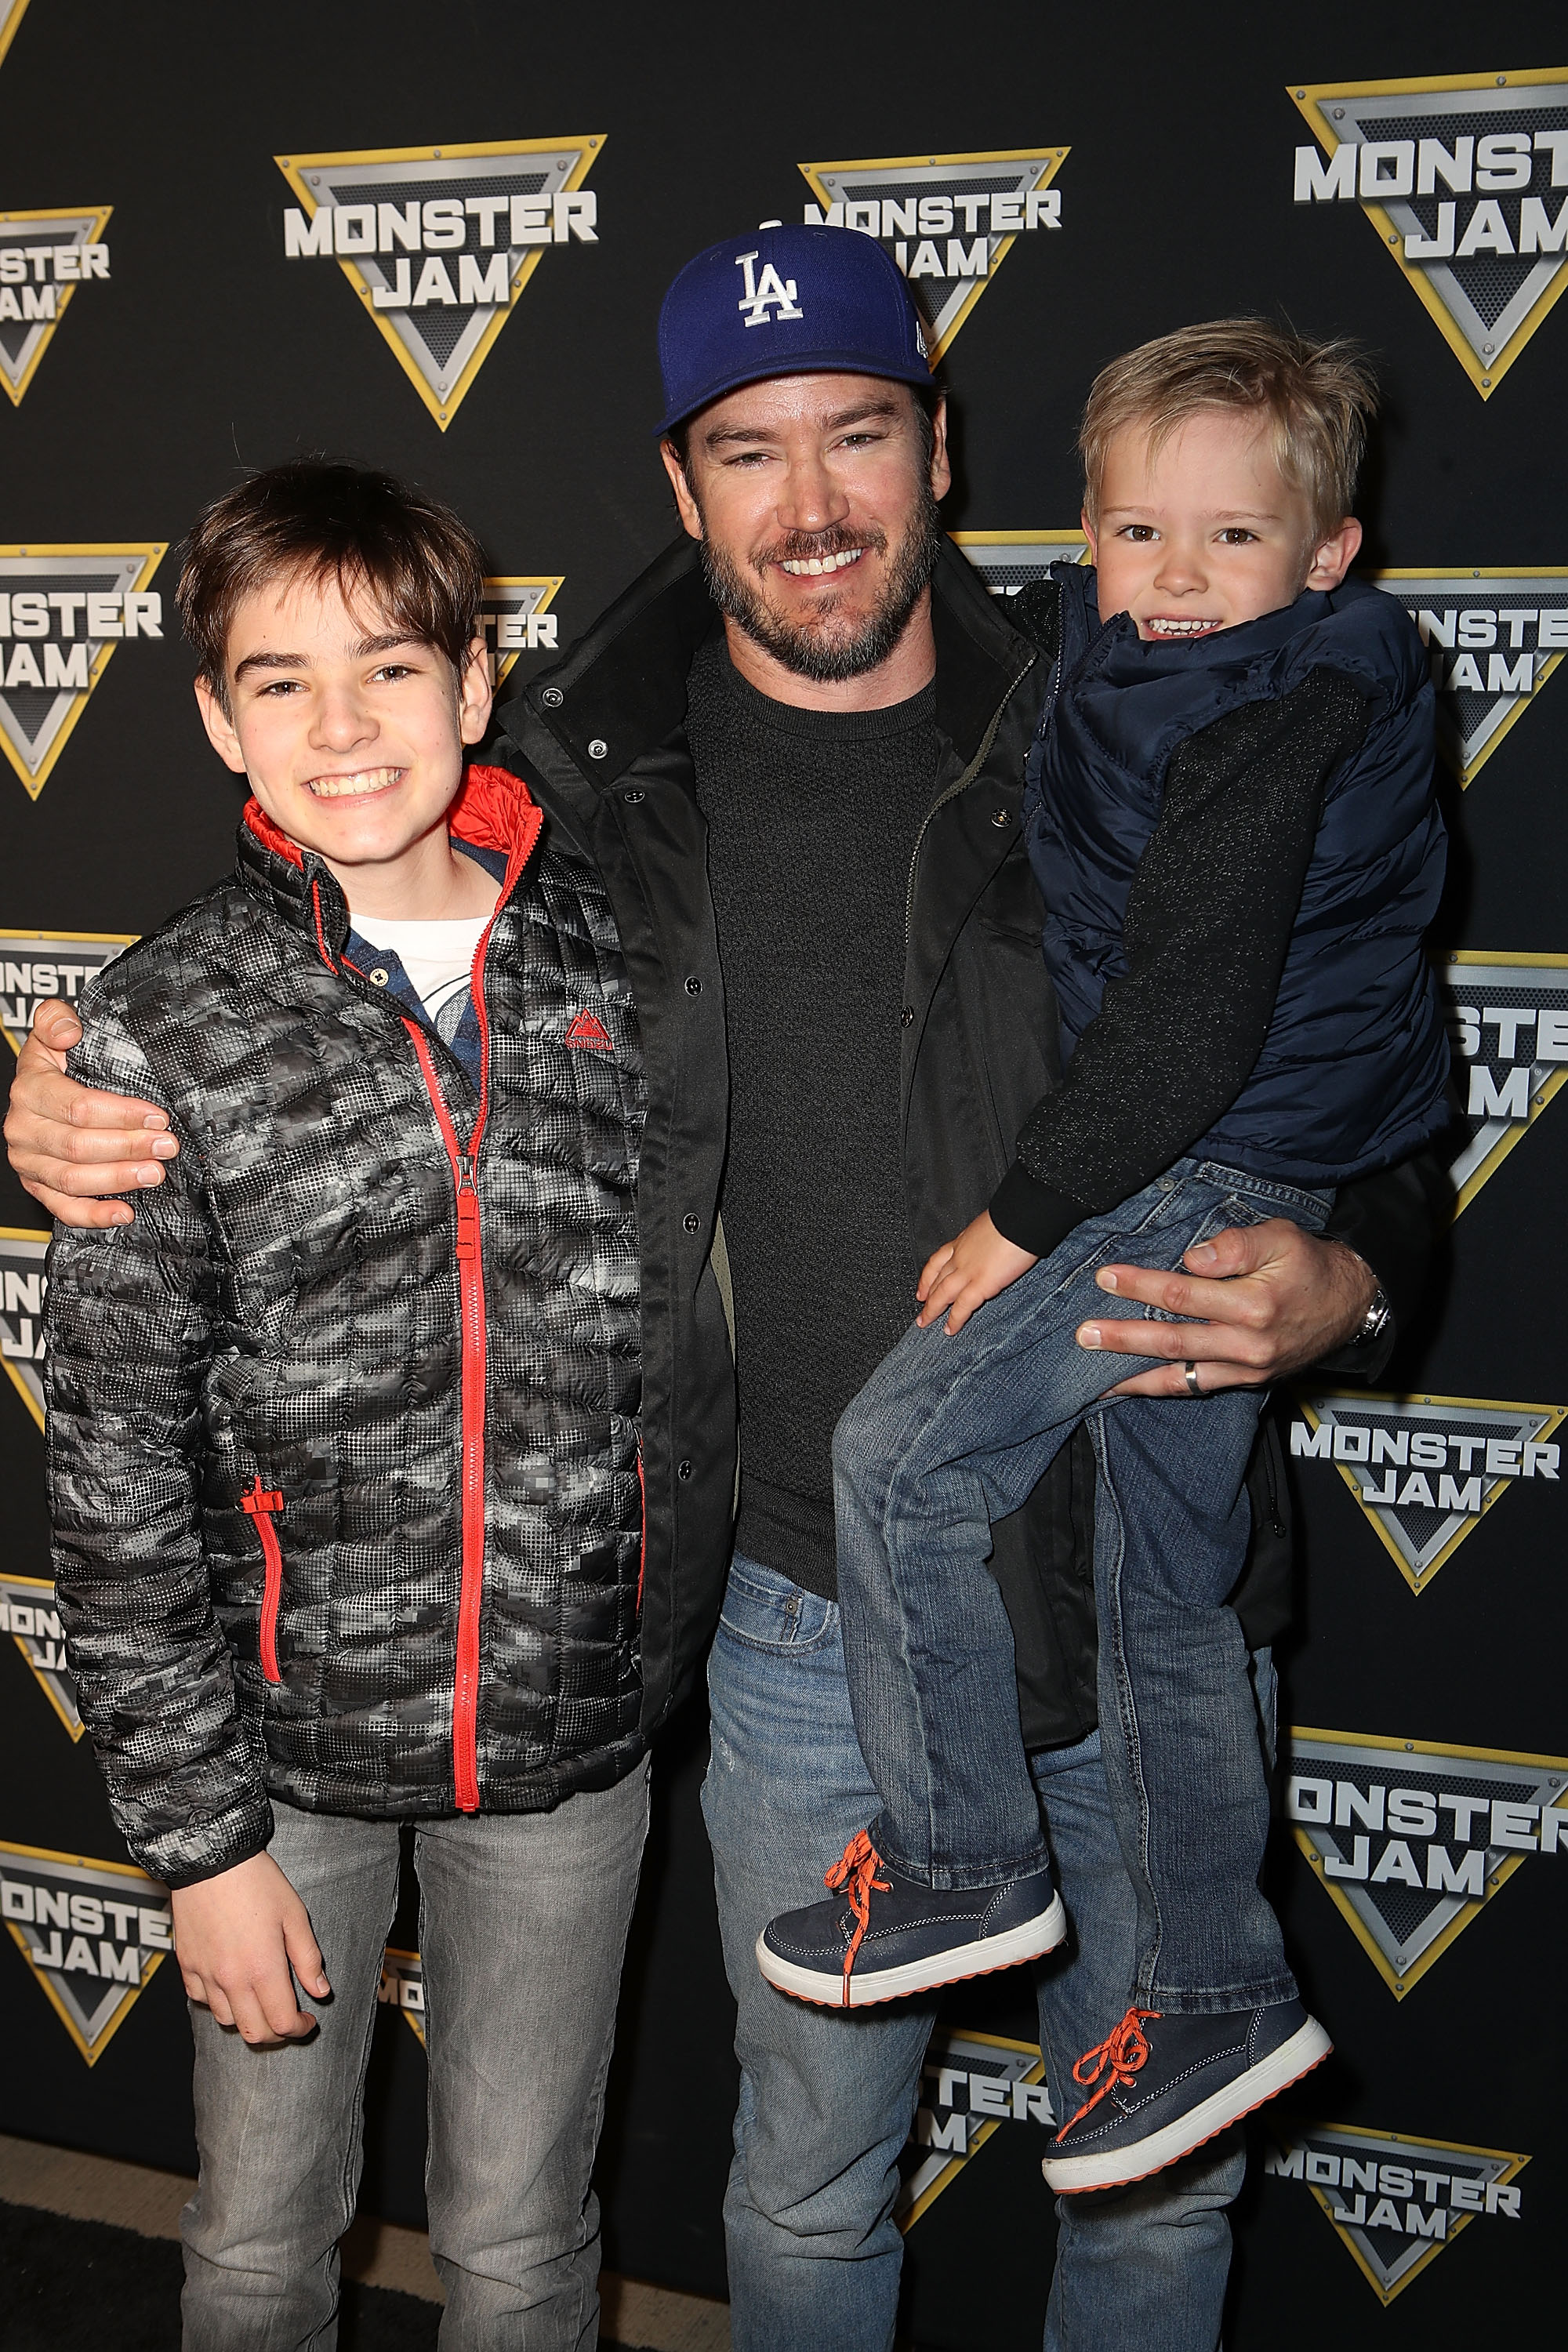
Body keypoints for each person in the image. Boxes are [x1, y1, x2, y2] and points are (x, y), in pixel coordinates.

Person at [6, 230, 1446, 2352]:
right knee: (805, 2186)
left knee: (1157, 2196)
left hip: (1138, 1556)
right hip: (795, 1624)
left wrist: (1364, 1278)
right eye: (749, 453)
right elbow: (334, 937)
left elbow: (1360, 1035)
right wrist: (70, 1088)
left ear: (938, 449)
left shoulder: (1140, 701)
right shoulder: (582, 780)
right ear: (682, 492)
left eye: (858, 433)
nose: (814, 502)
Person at [37, 459, 728, 2352]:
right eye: (280, 683)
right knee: (261, 2242)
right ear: (213, 719)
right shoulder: (157, 1027)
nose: (342, 730)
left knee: (521, 2243)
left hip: (567, 1750)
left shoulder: (627, 965)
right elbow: (109, 1478)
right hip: (282, 1777)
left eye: (391, 670)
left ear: (478, 680)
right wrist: (202, 1846)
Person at [757, 323, 1449, 2195]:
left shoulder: (1278, 704)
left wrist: (1031, 1216)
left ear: (1329, 555)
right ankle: (1217, 1985)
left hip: (1189, 1169)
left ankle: (964, 1861)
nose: (1173, 579)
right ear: (1082, 527)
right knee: (1171, 1595)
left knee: (901, 1456)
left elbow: (1196, 1019)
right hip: (1184, 1170)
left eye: (1229, 541)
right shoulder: (1097, 661)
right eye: (1137, 534)